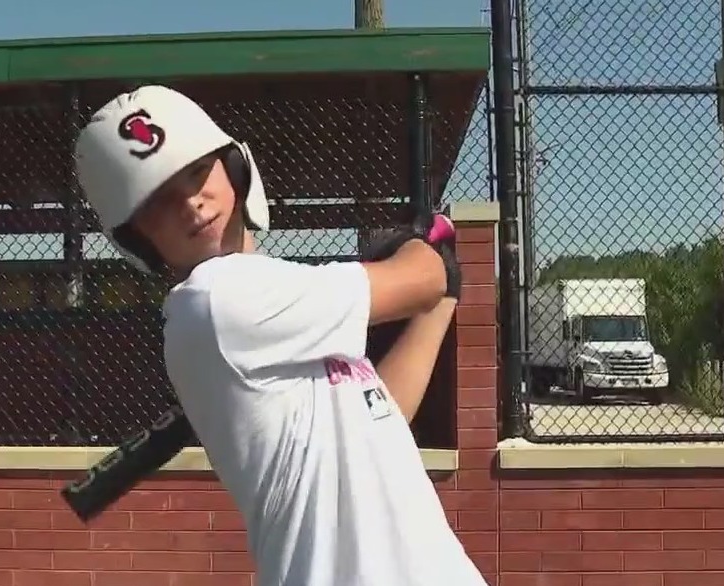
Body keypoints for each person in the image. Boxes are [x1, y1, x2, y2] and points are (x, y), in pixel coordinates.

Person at [74, 85, 487, 586]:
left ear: (234, 168)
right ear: (139, 237)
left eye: (196, 171)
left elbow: (382, 413)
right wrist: (425, 246)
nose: (191, 202)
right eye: (159, 201)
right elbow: (420, 278)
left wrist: (441, 298)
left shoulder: (272, 309)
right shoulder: (216, 299)